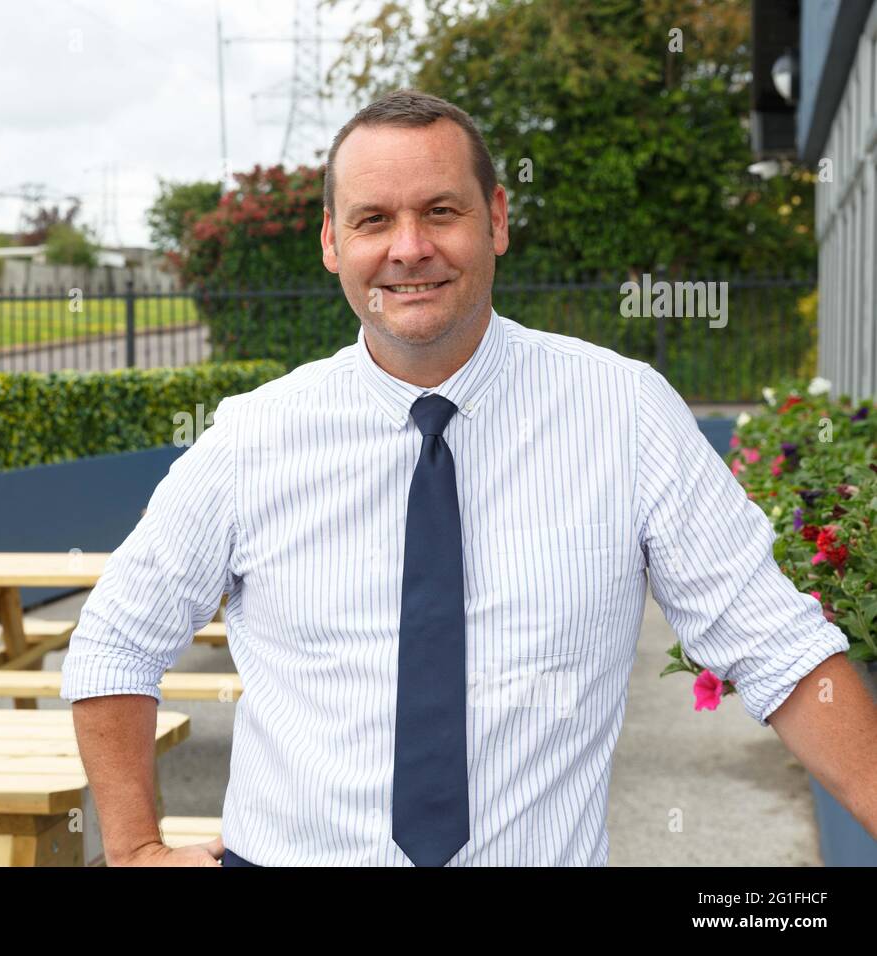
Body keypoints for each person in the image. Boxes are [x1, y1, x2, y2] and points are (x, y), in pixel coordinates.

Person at [60, 88, 877, 866]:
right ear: (332, 243)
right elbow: (116, 642)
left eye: (440, 211)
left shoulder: (624, 413)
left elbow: (777, 645)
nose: (408, 248)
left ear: (496, 219)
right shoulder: (252, 436)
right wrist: (134, 847)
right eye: (374, 219)